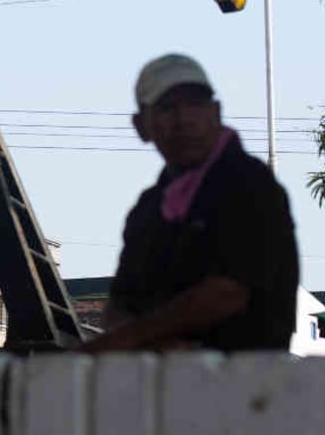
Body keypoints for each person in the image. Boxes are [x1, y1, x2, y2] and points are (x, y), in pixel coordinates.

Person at [82, 53, 298, 352]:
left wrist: (130, 339)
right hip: (159, 377)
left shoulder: (251, 183)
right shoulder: (148, 208)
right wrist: (144, 341)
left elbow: (227, 293)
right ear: (141, 126)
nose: (184, 120)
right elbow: (119, 306)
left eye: (195, 103)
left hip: (248, 377)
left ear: (216, 112)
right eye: (167, 107)